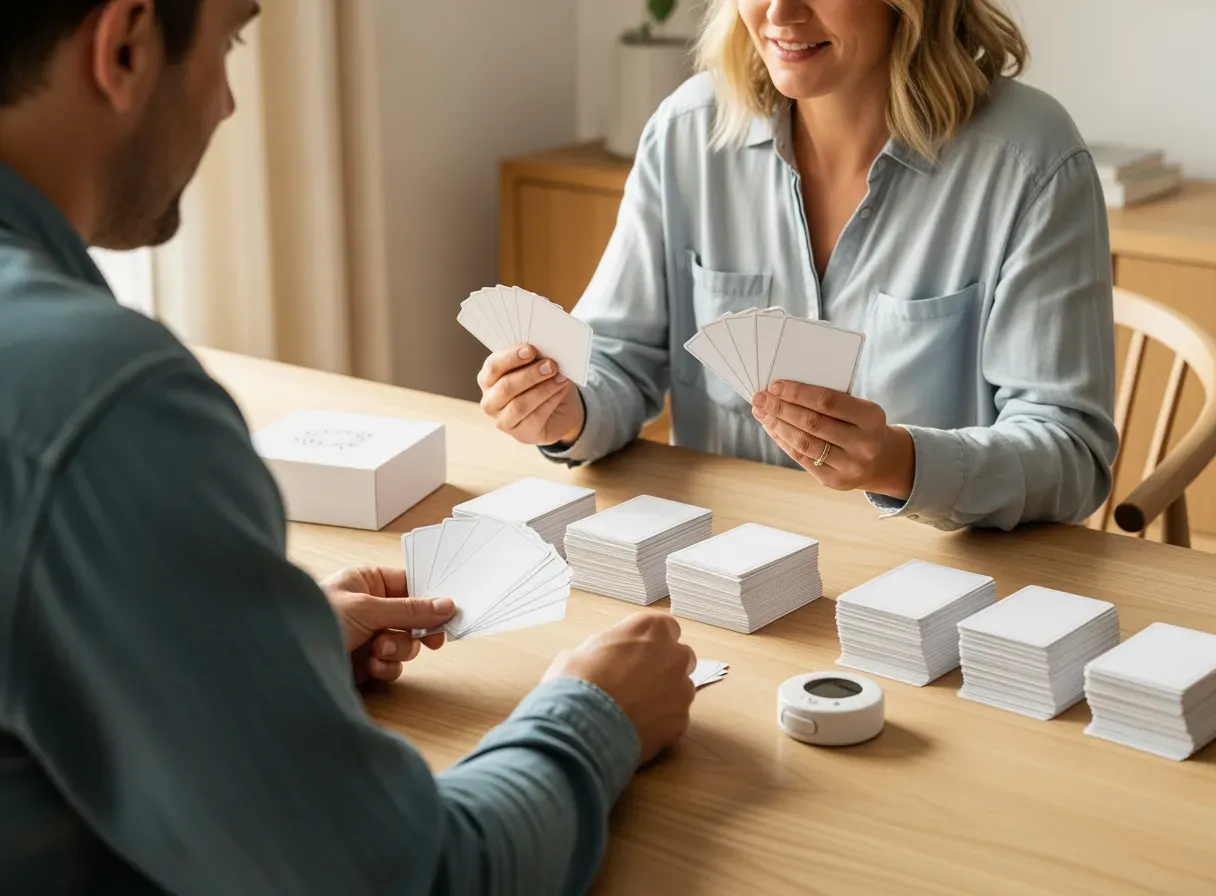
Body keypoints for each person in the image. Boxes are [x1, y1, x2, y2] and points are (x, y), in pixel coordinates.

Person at [0, 2, 697, 893]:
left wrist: (246, 653)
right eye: (230, 45)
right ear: (126, 46)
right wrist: (595, 714)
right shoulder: (105, 406)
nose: (227, 105)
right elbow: (411, 878)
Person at [478, 0, 1119, 533]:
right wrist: (566, 413)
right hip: (725, 569)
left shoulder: (1031, 161)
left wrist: (899, 461)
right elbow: (617, 359)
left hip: (937, 588)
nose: (780, 13)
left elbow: (1072, 454)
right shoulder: (687, 134)